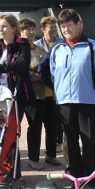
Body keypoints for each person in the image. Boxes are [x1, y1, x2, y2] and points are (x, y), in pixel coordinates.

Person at [49, 9, 95, 189]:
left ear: (79, 25)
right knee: (71, 139)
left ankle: (90, 176)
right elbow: (53, 74)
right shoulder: (57, 49)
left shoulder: (92, 47)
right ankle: (75, 174)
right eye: (63, 26)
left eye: (69, 25)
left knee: (89, 140)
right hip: (65, 102)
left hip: (87, 101)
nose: (66, 29)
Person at [0, 14, 34, 180]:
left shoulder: (22, 46)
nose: (0, 30)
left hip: (16, 99)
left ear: (14, 29)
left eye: (4, 26)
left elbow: (21, 65)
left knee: (10, 135)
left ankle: (14, 174)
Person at [19, 17, 60, 170]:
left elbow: (48, 67)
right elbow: (21, 71)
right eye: (27, 29)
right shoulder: (19, 50)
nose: (30, 32)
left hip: (48, 94)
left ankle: (51, 155)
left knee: (51, 125)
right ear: (20, 32)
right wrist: (36, 75)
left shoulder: (39, 49)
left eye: (32, 29)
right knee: (35, 127)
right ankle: (33, 158)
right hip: (33, 95)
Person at [35, 16, 65, 154]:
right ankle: (50, 148)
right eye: (50, 27)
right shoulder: (36, 46)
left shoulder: (62, 43)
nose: (53, 30)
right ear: (43, 29)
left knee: (58, 118)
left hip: (58, 87)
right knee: (46, 119)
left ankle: (57, 143)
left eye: (54, 27)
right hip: (42, 89)